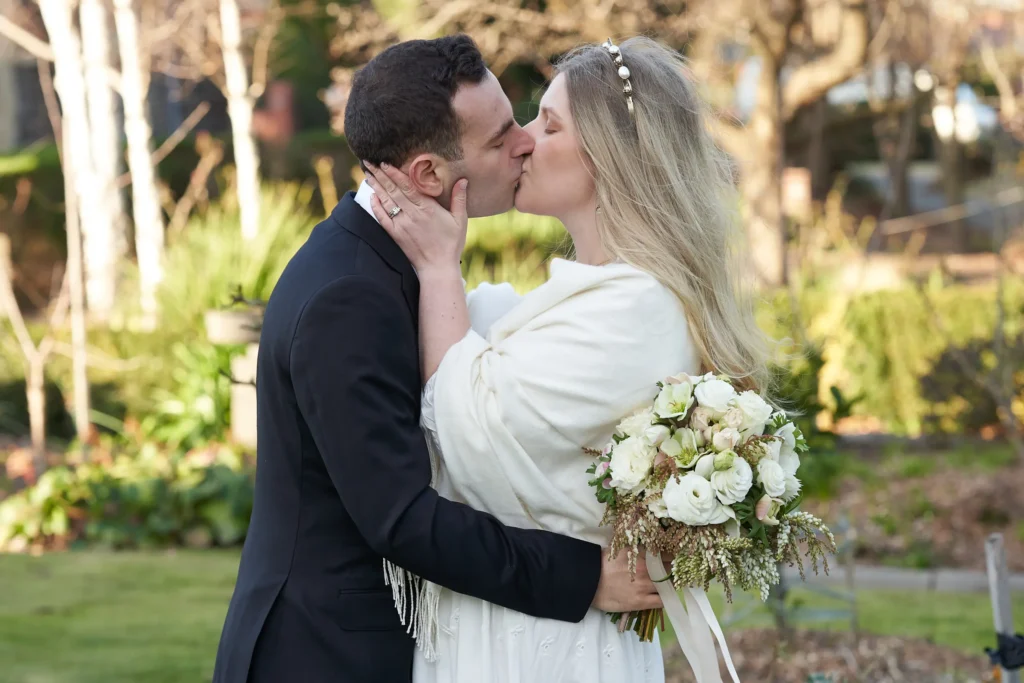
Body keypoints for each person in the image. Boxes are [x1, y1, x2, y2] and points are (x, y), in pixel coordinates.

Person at [211, 35, 665, 683]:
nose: (525, 143)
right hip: (323, 654)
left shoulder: (396, 261)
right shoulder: (348, 296)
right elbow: (401, 519)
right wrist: (586, 575)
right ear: (428, 175)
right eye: (500, 137)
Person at [364, 36, 771, 683]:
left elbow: (467, 429)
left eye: (547, 124)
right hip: (514, 619)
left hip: (548, 642)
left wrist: (439, 268)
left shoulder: (639, 306)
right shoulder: (594, 297)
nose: (522, 140)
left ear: (610, 158)